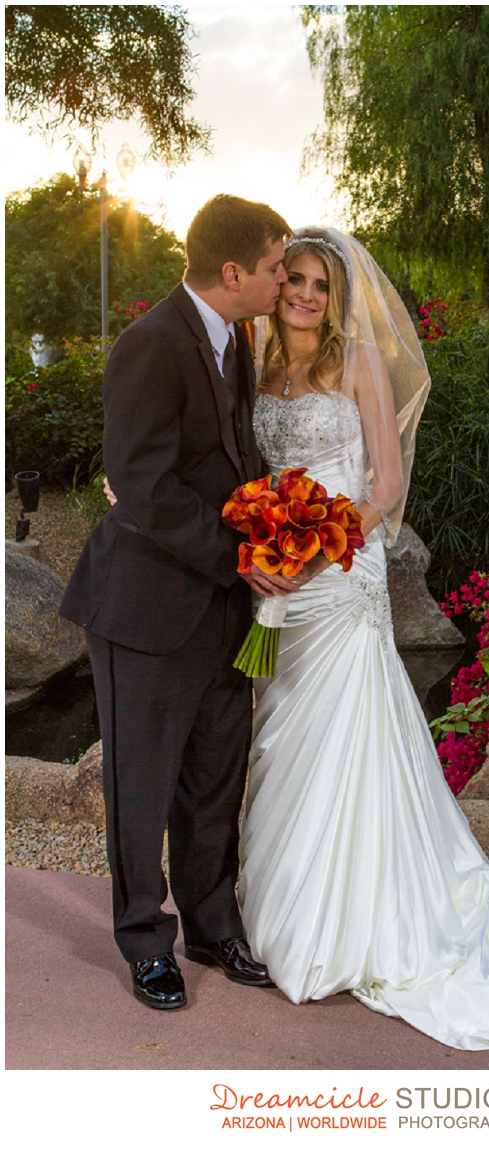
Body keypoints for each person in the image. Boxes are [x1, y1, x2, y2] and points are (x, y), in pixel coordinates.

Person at [237, 226, 489, 1050]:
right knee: (283, 735)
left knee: (348, 737)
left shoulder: (359, 364)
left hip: (341, 578)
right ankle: (291, 902)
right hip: (281, 584)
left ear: (338, 296)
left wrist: (319, 543)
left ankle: (359, 921)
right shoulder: (260, 360)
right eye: (295, 280)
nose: (304, 294)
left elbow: (387, 482)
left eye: (318, 284)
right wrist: (269, 544)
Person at [60, 195, 299, 1011]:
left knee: (212, 778)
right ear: (233, 273)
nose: (282, 280)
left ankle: (211, 926)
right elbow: (140, 484)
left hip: (227, 610)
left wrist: (283, 525)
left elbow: (234, 459)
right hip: (148, 612)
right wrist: (241, 557)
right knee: (143, 785)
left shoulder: (237, 340)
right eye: (274, 267)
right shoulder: (150, 343)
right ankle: (143, 941)